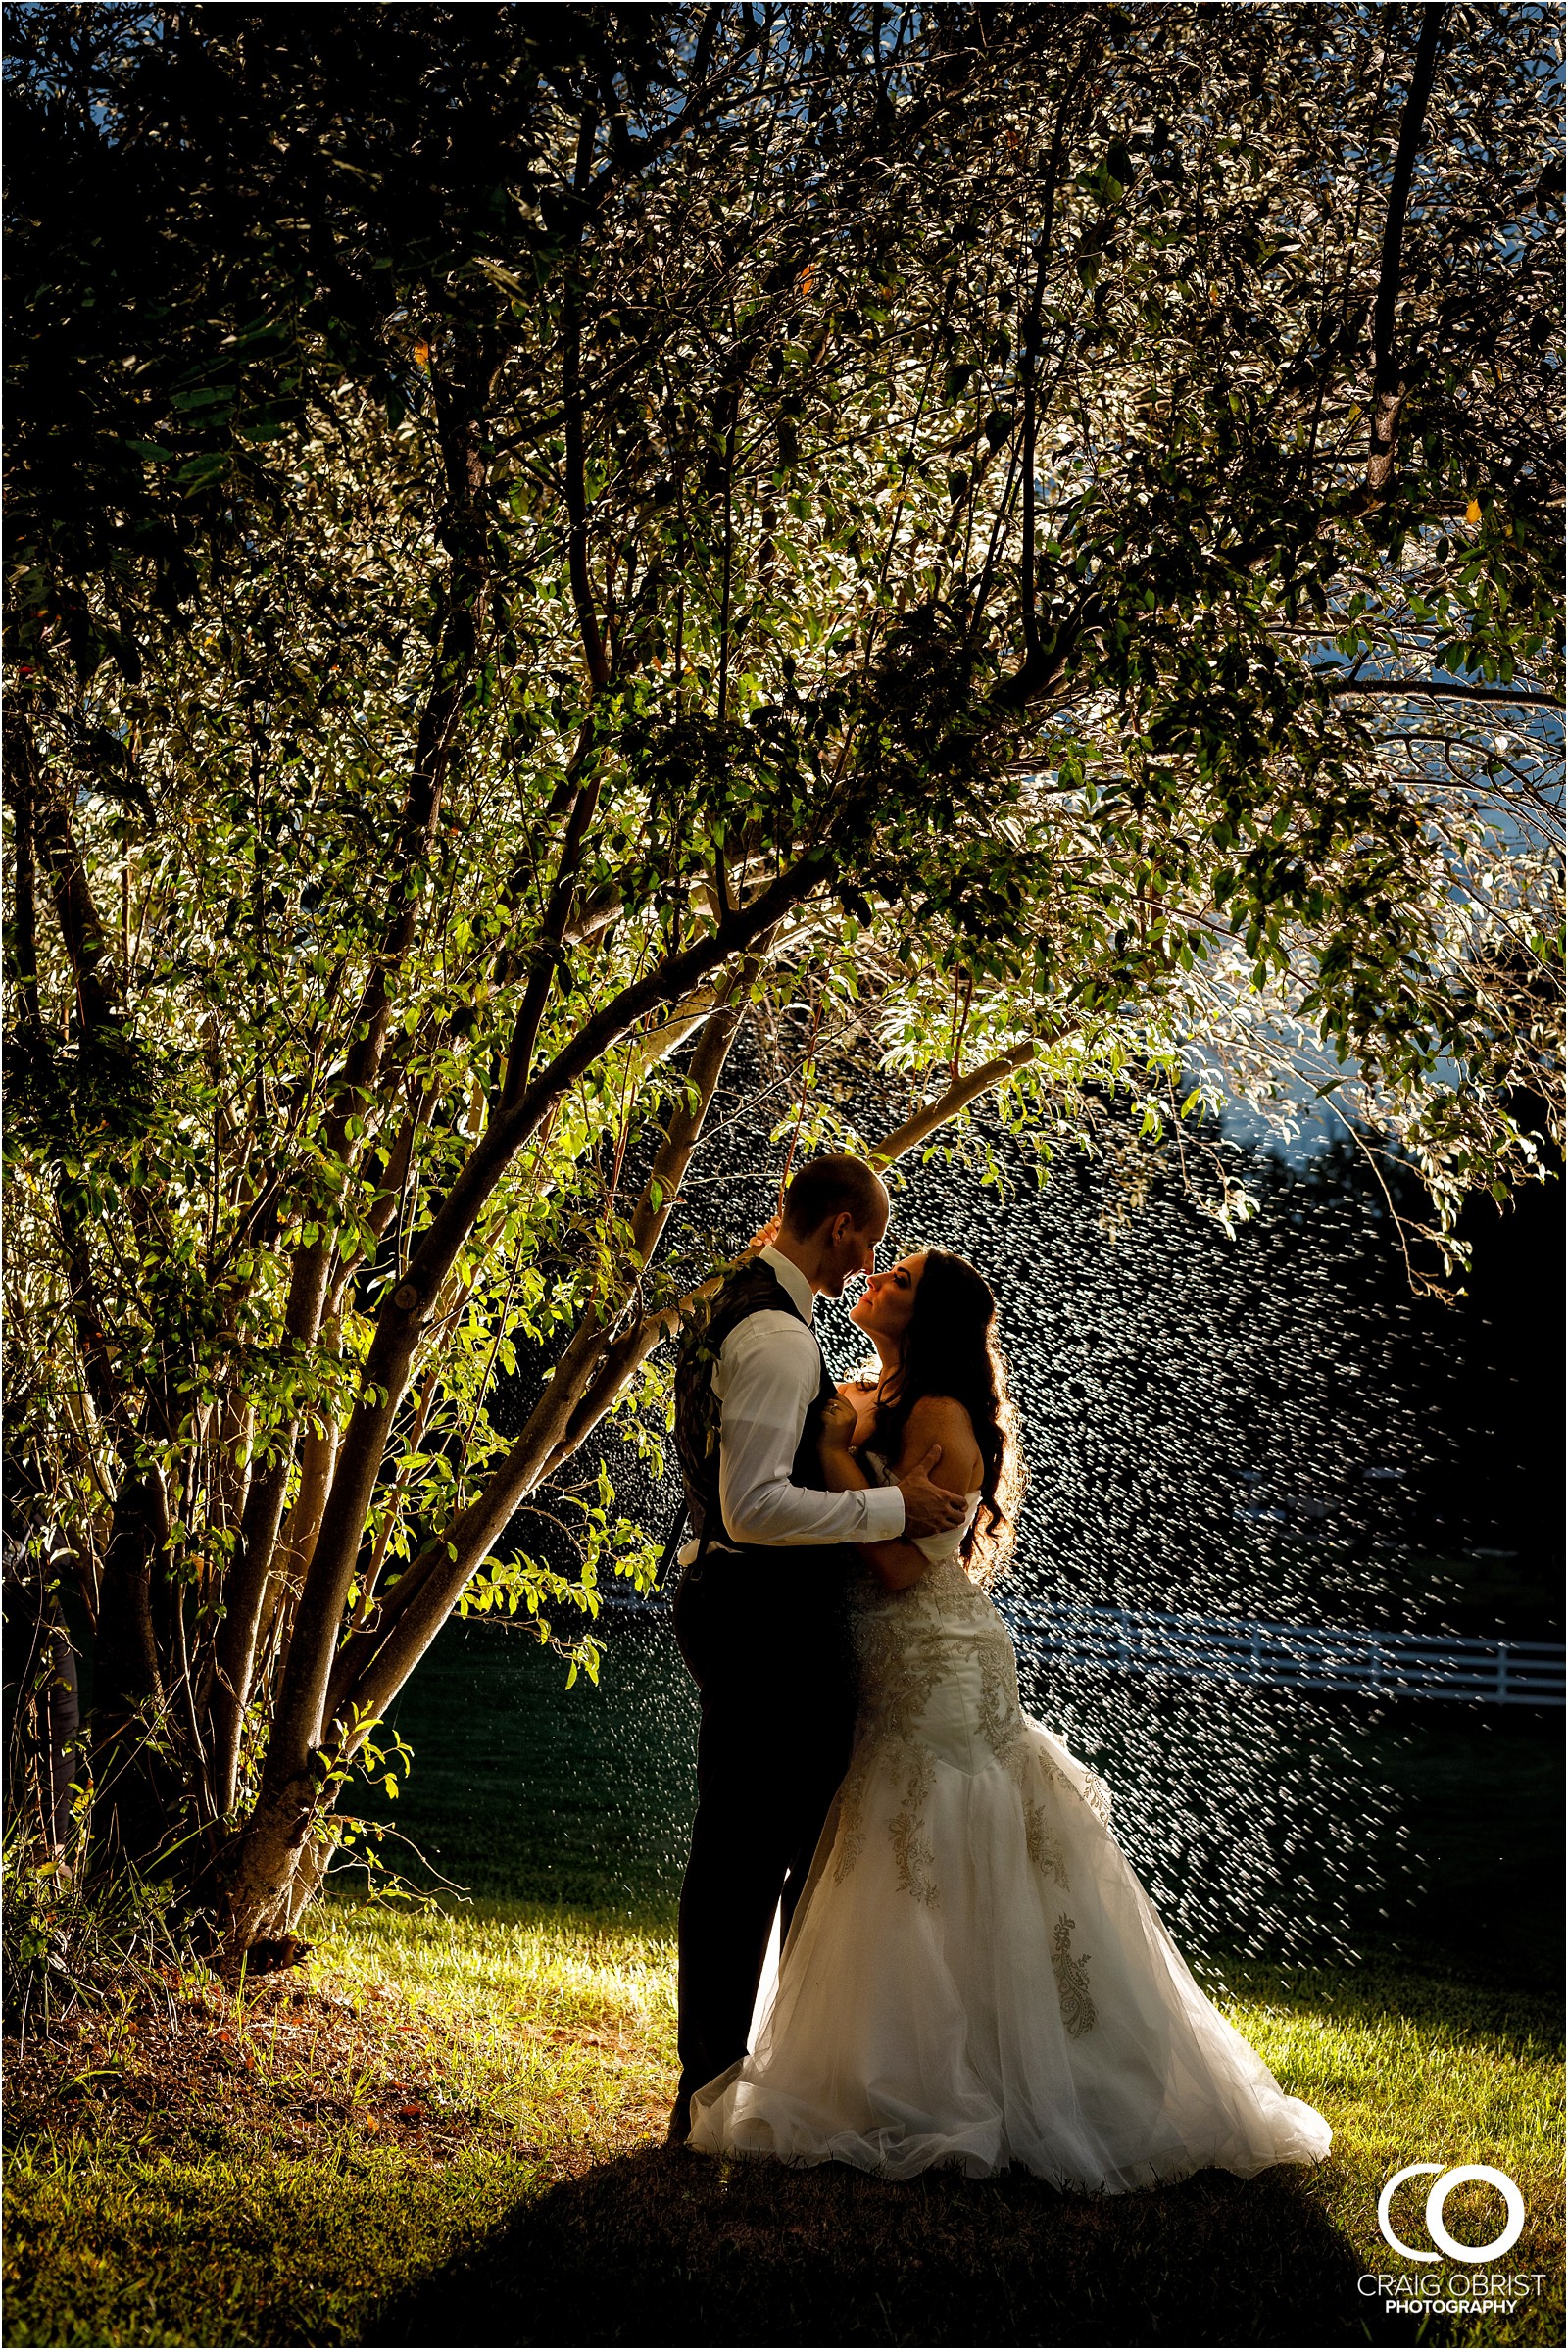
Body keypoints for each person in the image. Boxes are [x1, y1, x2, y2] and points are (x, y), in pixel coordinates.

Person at [687, 1248, 1332, 2190]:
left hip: (935, 1662)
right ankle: (891, 2063)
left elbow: (903, 1565)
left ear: (931, 1318)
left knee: (940, 1843)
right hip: (879, 1659)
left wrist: (832, 1454)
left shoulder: (943, 1416)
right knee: (890, 1864)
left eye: (899, 1280)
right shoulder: (876, 1393)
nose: (876, 1278)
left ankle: (1006, 2075)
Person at [665, 1156, 970, 2148]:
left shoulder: (743, 1299)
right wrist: (890, 1504)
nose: (868, 1266)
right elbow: (753, 1511)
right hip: (763, 1615)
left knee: (783, 1853)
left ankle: (785, 2072)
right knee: (751, 1858)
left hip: (756, 1608)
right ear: (840, 1227)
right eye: (870, 1243)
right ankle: (715, 2090)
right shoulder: (774, 1334)